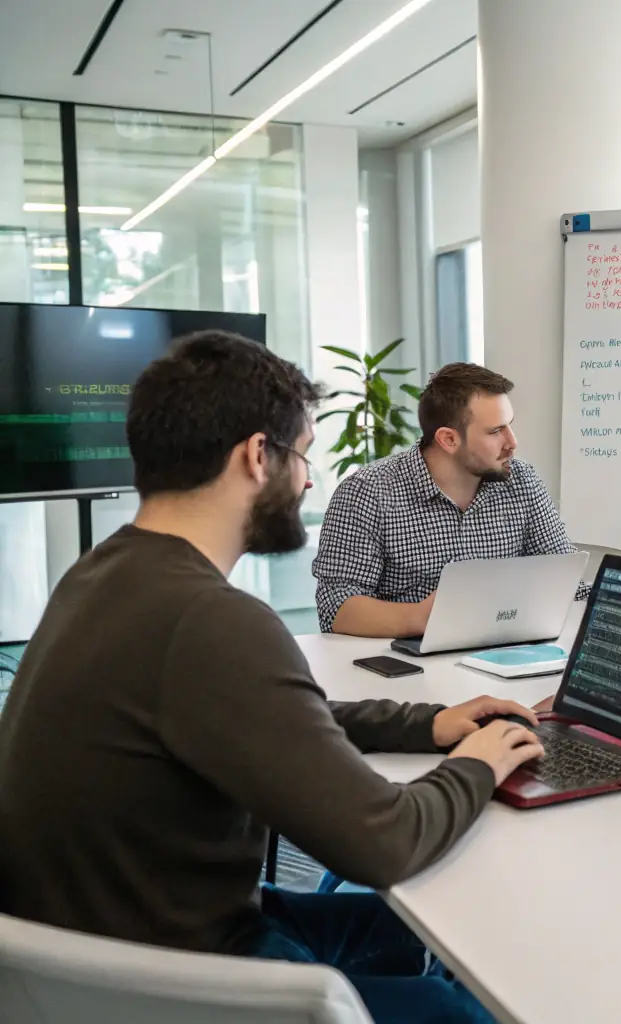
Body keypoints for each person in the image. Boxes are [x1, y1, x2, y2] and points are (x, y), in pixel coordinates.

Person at [0, 331, 546, 1024]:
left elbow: (264, 714)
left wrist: (427, 723)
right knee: (452, 1000)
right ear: (258, 456)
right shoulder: (208, 618)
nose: (310, 479)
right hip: (173, 980)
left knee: (441, 944)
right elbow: (386, 843)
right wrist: (477, 762)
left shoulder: (106, 574)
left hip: (116, 933)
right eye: (303, 456)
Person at [314, 362, 587, 637]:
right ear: (448, 439)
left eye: (509, 426)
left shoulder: (522, 481)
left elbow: (569, 587)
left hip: (505, 657)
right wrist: (425, 618)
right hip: (407, 666)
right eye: (495, 431)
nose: (512, 442)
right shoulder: (367, 492)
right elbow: (336, 607)